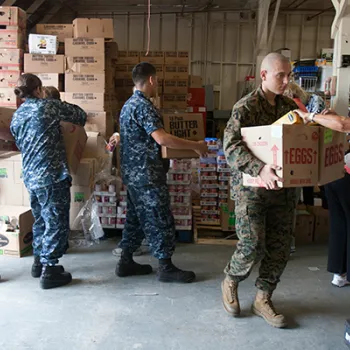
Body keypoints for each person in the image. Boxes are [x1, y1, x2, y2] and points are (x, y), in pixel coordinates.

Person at [222, 53, 298, 328]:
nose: (286, 81)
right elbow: (230, 147)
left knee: (279, 247)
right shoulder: (246, 107)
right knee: (251, 244)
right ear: (264, 75)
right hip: (252, 191)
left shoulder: (290, 107)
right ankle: (231, 280)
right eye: (281, 75)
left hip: (283, 191)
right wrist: (258, 168)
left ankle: (263, 298)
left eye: (288, 75)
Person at [117, 62, 208, 283]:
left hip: (133, 173)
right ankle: (165, 267)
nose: (157, 84)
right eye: (156, 80)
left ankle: (126, 261)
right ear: (151, 80)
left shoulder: (127, 105)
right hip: (147, 174)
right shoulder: (144, 106)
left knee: (136, 218)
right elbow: (161, 138)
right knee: (160, 218)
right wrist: (194, 145)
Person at [11, 74, 87, 290]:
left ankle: (38, 261)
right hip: (51, 176)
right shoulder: (48, 107)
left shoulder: (17, 116)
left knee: (41, 219)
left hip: (31, 177)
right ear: (38, 89)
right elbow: (79, 115)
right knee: (56, 221)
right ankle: (50, 269)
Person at [295, 108, 350, 288]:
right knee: (340, 222)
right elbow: (343, 124)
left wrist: (312, 116)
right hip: (342, 173)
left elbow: (343, 124)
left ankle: (340, 273)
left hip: (337, 171)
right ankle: (342, 273)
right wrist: (329, 117)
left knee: (340, 223)